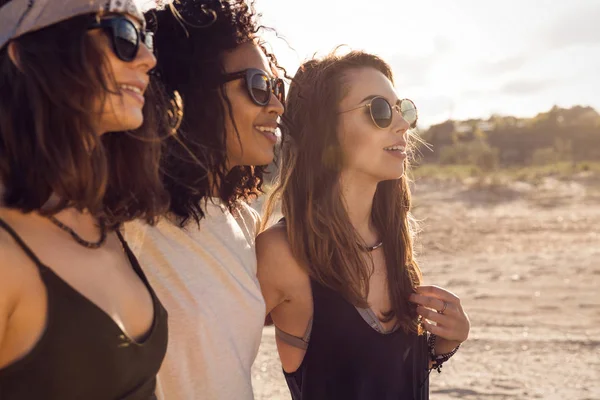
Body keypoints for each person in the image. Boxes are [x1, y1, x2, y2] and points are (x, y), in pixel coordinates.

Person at [257, 51, 471, 400]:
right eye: (379, 111)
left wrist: (446, 343)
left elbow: (380, 376)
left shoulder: (391, 241)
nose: (402, 125)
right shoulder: (283, 253)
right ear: (325, 131)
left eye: (402, 110)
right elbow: (210, 362)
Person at [0, 0, 170, 398]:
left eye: (144, 36)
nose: (147, 58)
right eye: (122, 35)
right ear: (25, 52)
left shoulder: (100, 221)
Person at [124, 1, 285, 398]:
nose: (277, 105)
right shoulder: (129, 221)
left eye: (277, 87)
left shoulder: (243, 220)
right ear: (192, 92)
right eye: (258, 86)